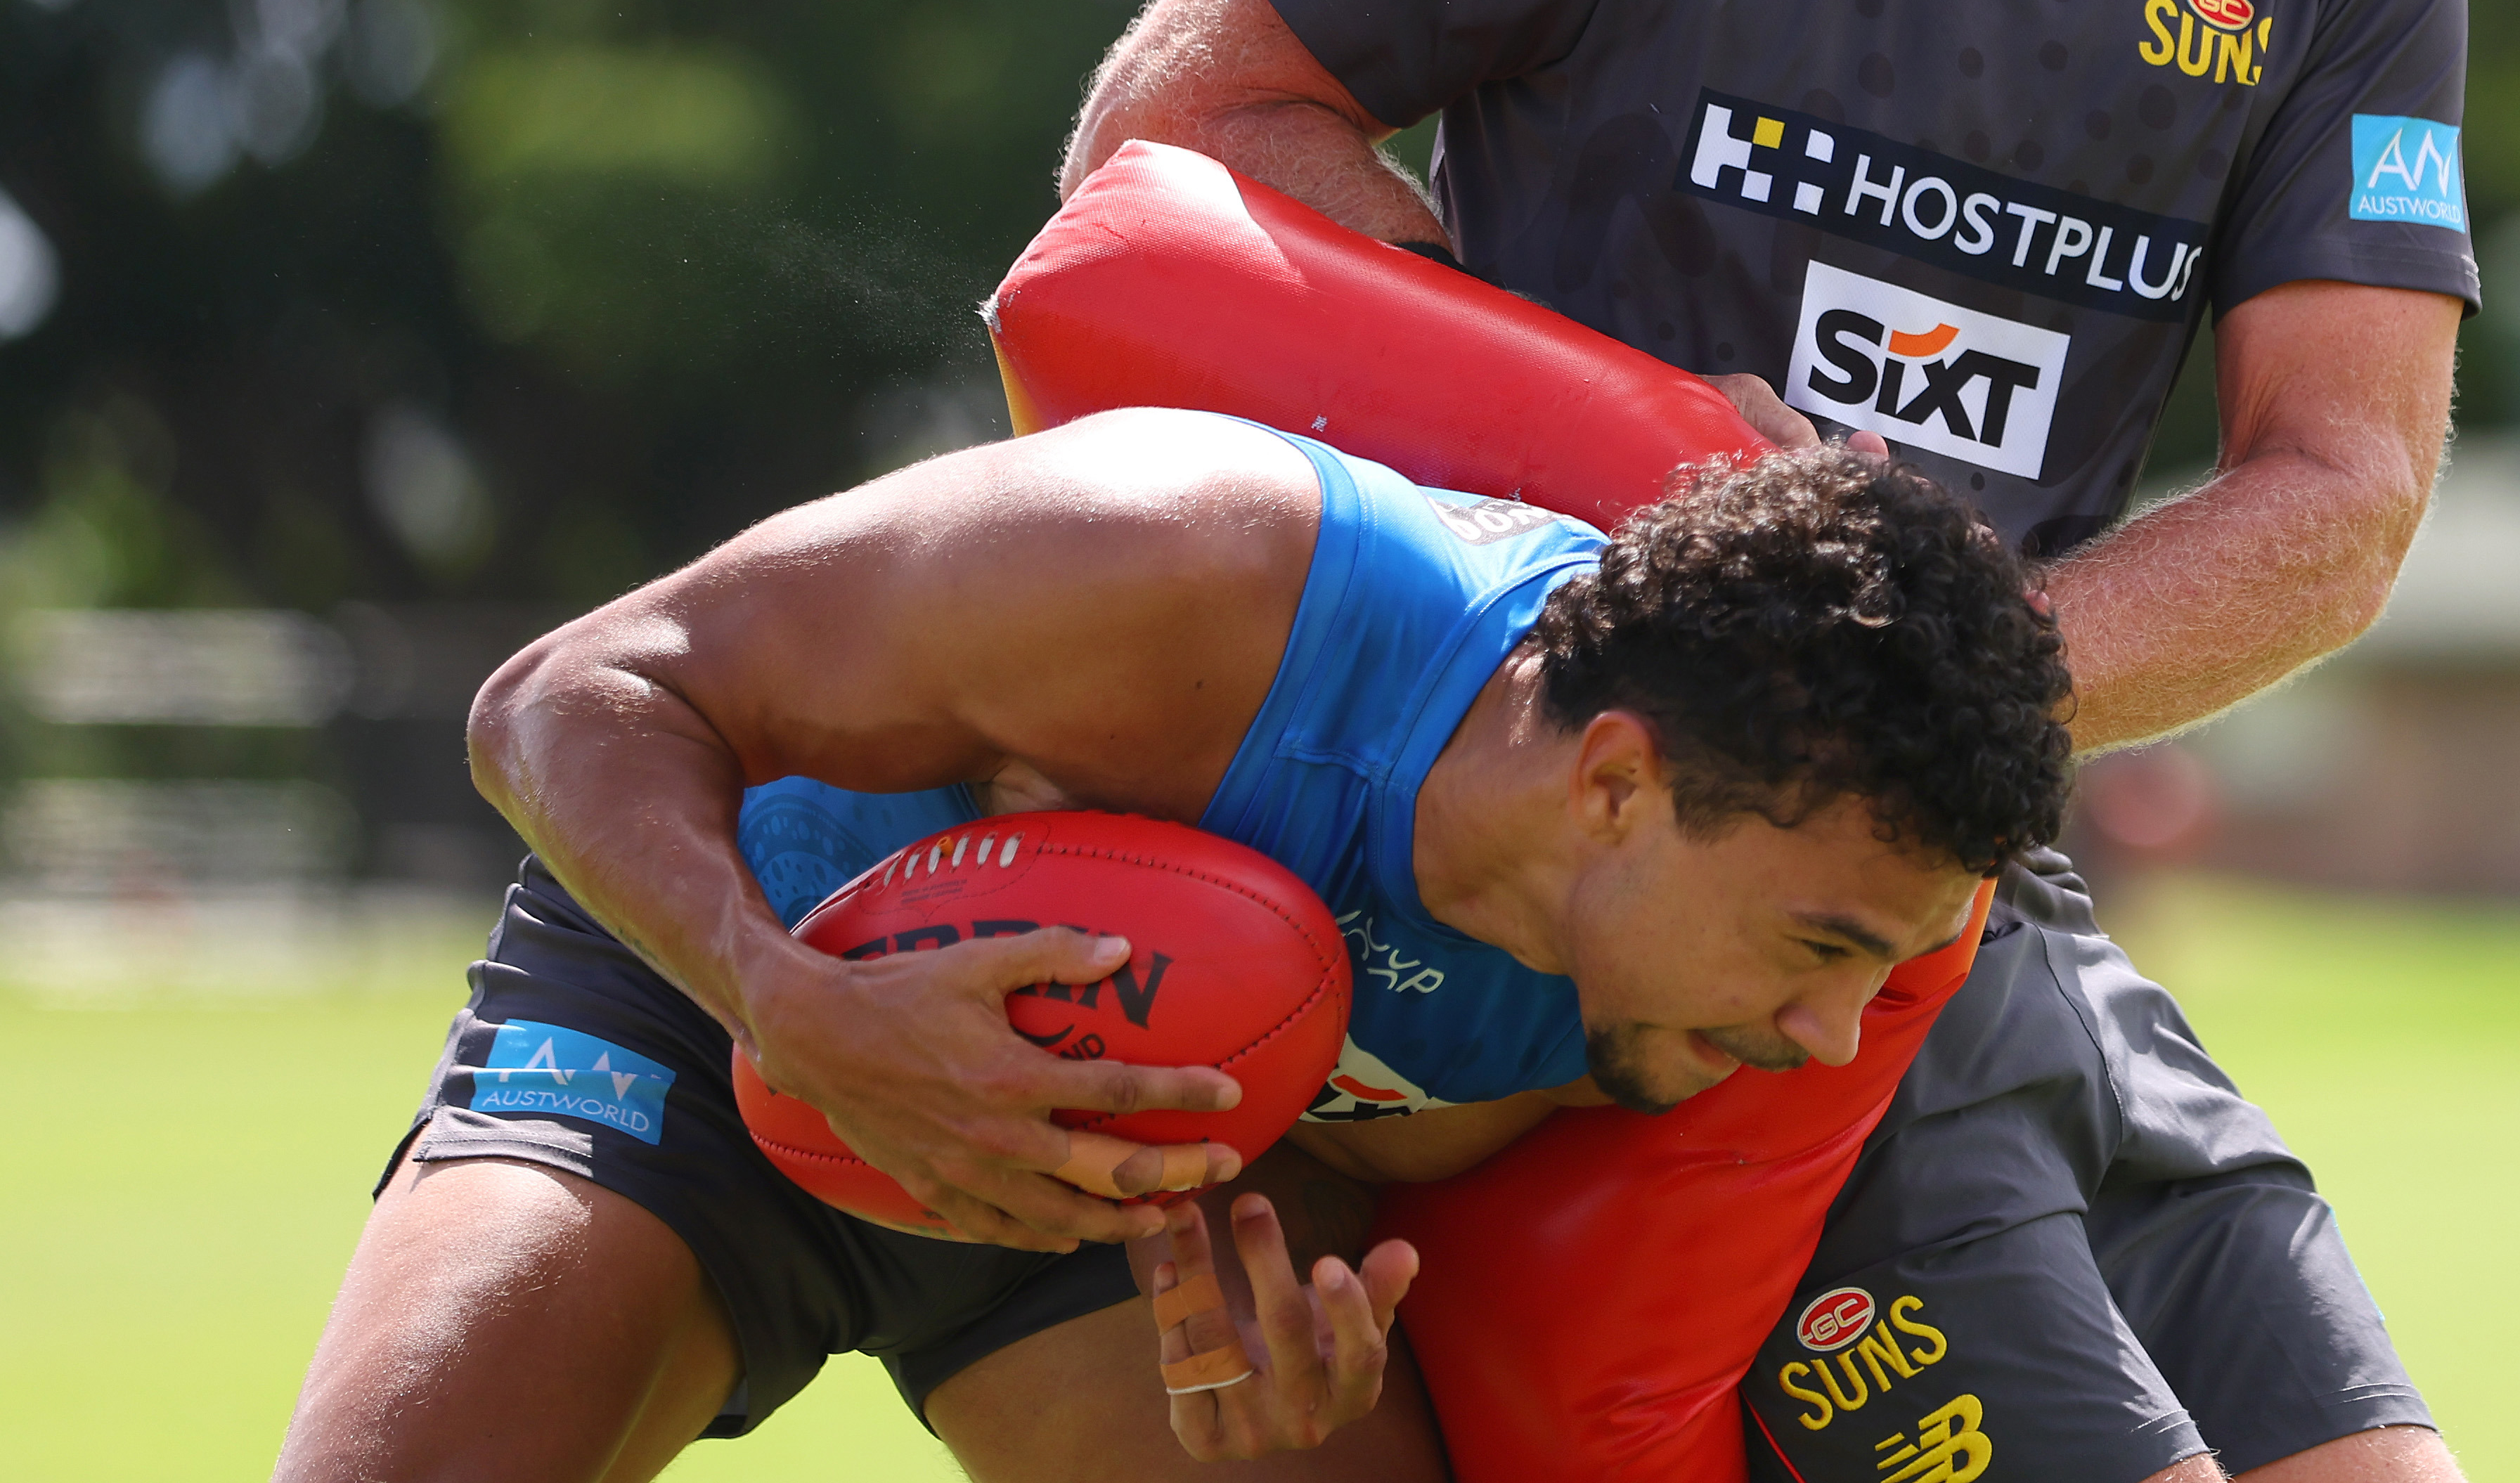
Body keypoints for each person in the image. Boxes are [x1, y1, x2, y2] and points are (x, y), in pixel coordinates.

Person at [1061, 0, 2478, 1483]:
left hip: (1978, 886)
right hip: (1707, 923)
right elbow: (1174, 138)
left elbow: (2343, 492)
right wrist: (1600, 465)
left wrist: (1899, 702)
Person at [271, 418, 2071, 1482]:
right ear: (1617, 784)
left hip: (1099, 1219)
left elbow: (1330, 1148)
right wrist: (796, 1005)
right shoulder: (1194, 566)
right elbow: (567, 696)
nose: (1841, 1034)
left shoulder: (1652, 982)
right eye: (1822, 944)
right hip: (721, 1000)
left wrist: (1274, 1324)